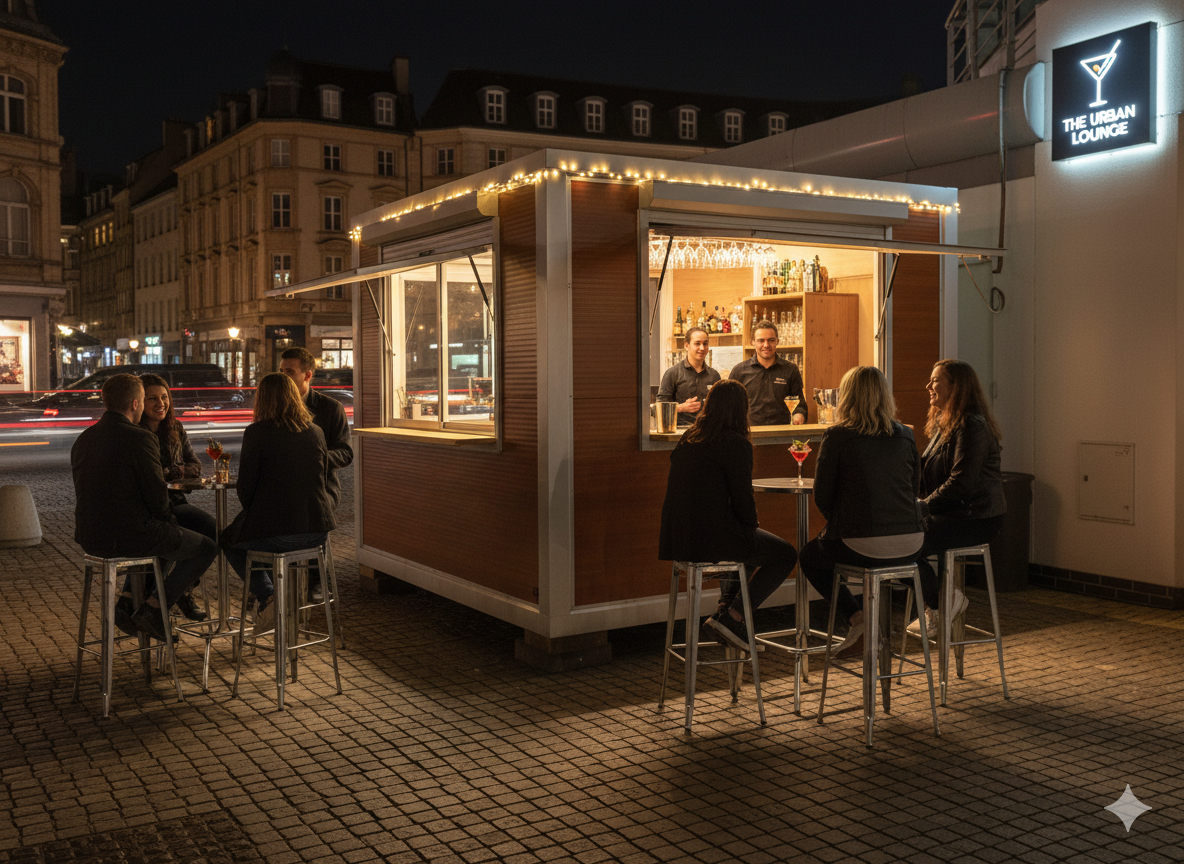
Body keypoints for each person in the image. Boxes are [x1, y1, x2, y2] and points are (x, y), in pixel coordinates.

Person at [70, 373, 219, 642]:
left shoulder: (84, 438)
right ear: (136, 403)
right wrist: (167, 521)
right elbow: (157, 496)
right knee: (206, 546)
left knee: (172, 534)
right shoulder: (139, 437)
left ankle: (130, 602)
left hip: (90, 537)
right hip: (129, 535)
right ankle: (154, 609)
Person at [658, 378, 798, 650]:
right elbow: (743, 500)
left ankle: (726, 613)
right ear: (742, 410)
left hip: (678, 538)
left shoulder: (689, 437)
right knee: (784, 554)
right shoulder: (735, 443)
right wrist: (751, 525)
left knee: (748, 543)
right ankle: (733, 617)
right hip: (709, 539)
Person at [798, 366, 927, 656]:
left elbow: (823, 496)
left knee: (809, 557)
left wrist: (844, 522)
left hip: (860, 543)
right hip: (911, 542)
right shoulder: (906, 435)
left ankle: (859, 621)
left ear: (847, 397)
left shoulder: (837, 435)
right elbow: (913, 488)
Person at [224, 373, 336, 633]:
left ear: (262, 400)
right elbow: (320, 479)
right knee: (254, 538)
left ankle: (268, 596)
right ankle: (279, 605)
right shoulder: (316, 432)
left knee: (230, 541)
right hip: (318, 532)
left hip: (279, 534)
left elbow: (246, 490)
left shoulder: (256, 433)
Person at [909, 359, 1006, 637]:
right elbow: (928, 476)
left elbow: (961, 484)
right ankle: (942, 601)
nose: (928, 386)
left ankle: (941, 603)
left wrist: (922, 507)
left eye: (935, 380)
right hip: (953, 513)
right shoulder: (946, 423)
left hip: (977, 518)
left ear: (956, 386)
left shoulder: (972, 425)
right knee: (897, 539)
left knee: (903, 544)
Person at [138, 372, 215, 622]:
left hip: (177, 503)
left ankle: (179, 589)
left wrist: (170, 471)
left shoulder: (175, 427)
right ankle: (164, 597)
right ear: (139, 401)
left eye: (164, 397)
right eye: (152, 398)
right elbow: (152, 475)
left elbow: (195, 465)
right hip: (153, 509)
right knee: (200, 536)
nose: (160, 403)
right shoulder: (137, 432)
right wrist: (176, 471)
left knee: (214, 531)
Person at [279, 346, 352, 600]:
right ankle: (270, 584)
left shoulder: (330, 408)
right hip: (285, 487)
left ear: (307, 375)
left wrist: (314, 460)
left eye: (290, 372)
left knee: (311, 510)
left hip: (321, 487)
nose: (284, 377)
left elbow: (345, 453)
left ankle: (318, 579)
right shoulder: (276, 407)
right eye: (281, 371)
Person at [728, 320, 807, 426]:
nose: (766, 345)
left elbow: (800, 404)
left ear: (777, 341)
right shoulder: (739, 371)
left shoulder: (790, 370)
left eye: (771, 340)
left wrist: (799, 415)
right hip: (749, 433)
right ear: (753, 342)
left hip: (782, 432)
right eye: (761, 340)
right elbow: (729, 406)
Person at [656, 327, 720, 426]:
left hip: (708, 431)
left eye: (705, 344)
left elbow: (721, 408)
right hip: (680, 432)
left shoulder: (714, 375)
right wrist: (681, 407)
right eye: (697, 343)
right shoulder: (673, 373)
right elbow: (658, 409)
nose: (702, 348)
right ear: (686, 346)